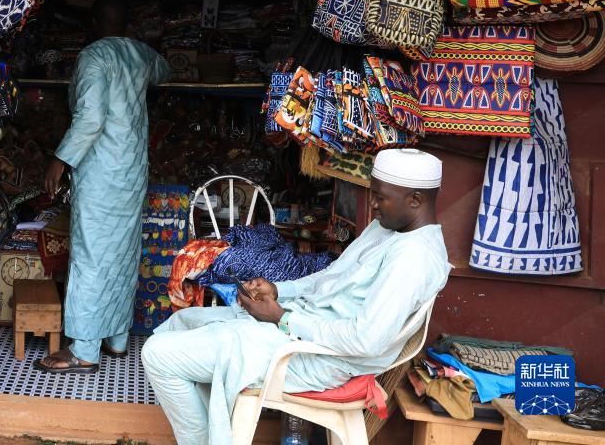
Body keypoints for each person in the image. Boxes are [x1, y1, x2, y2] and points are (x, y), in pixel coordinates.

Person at [142, 148, 452, 445]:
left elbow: (364, 341)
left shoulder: (414, 258)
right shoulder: (387, 230)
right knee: (181, 322)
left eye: (380, 197)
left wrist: (281, 317)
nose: (372, 204)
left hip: (317, 358)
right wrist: (279, 290)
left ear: (415, 199)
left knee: (157, 355)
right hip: (300, 328)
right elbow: (330, 278)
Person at [36, 0, 171, 374]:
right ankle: (116, 338)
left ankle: (84, 350)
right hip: (132, 169)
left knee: (92, 256)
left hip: (102, 172)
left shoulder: (93, 56)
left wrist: (60, 159)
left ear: (93, 23)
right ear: (125, 24)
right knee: (123, 253)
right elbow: (166, 70)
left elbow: (90, 118)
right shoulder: (141, 54)